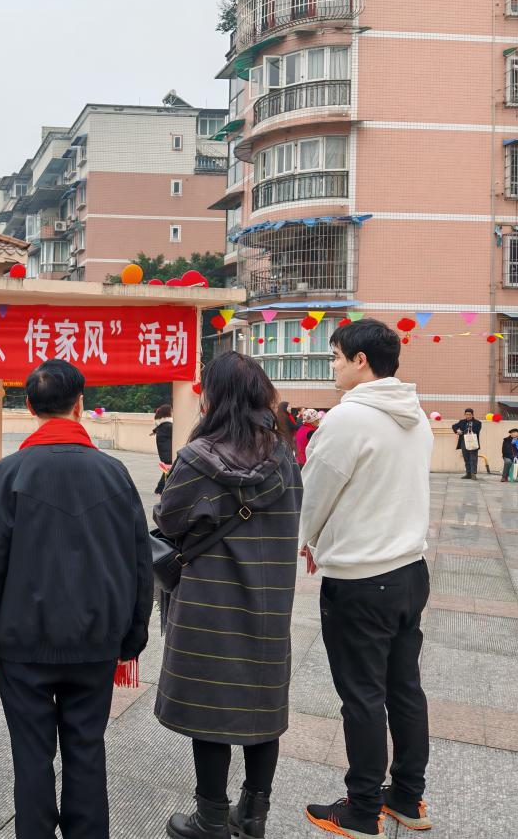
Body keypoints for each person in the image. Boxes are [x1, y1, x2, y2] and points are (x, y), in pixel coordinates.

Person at [0, 359, 153, 838]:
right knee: (86, 750)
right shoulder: (114, 473)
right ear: (80, 404)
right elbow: (138, 560)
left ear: (28, 407)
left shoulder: (8, 474)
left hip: (24, 643)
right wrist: (133, 634)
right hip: (95, 641)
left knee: (31, 757)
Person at [154, 351, 301, 839]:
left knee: (208, 709)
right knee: (263, 710)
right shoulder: (284, 456)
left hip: (209, 604)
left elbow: (169, 521)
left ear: (212, 397)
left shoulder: (198, 458)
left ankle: (211, 817)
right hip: (270, 601)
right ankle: (253, 816)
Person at [299, 319, 434, 838]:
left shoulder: (349, 418)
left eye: (335, 356)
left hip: (360, 579)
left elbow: (315, 494)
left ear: (360, 360)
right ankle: (408, 798)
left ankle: (359, 810)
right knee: (404, 688)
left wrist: (308, 541)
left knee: (361, 695)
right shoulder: (414, 414)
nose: (332, 365)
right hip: (409, 572)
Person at [452, 408, 483, 479]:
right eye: (466, 414)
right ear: (464, 415)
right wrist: (457, 430)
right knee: (466, 458)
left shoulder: (478, 423)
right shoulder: (462, 422)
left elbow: (476, 430)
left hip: (473, 442)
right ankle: (468, 474)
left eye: (469, 414)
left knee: (473, 458)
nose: (468, 416)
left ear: (472, 415)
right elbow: (454, 426)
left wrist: (467, 429)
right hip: (464, 442)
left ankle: (473, 474)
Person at [153, 403, 174, 495]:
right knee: (169, 470)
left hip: (165, 453)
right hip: (168, 453)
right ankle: (160, 489)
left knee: (168, 470)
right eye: (172, 411)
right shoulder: (168, 426)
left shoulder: (163, 425)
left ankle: (160, 489)